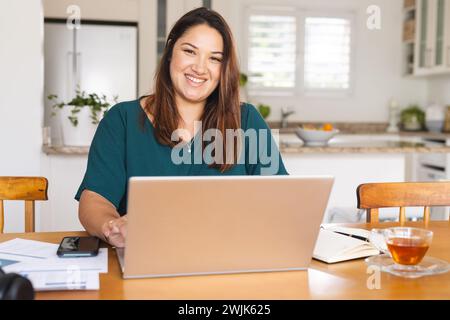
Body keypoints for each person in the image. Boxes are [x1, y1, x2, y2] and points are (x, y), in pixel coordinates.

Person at [75, 7, 288, 248]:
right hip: (148, 258)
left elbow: (279, 200)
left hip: (229, 260)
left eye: (215, 58)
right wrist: (112, 228)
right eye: (189, 51)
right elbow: (95, 199)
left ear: (223, 69)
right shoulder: (122, 120)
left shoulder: (248, 121)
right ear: (170, 53)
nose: (199, 67)